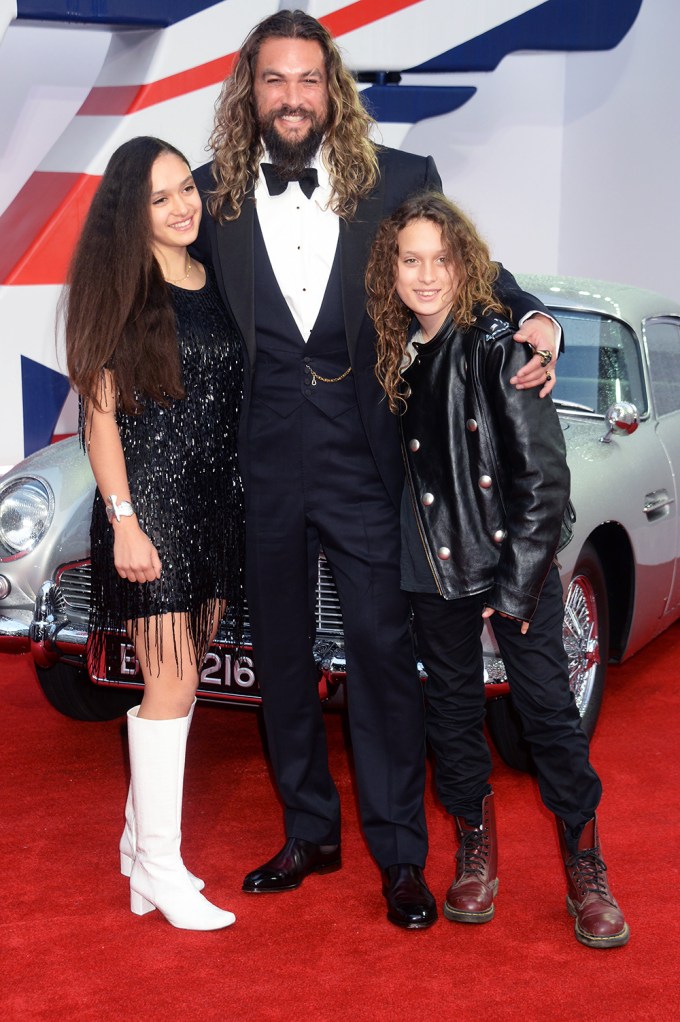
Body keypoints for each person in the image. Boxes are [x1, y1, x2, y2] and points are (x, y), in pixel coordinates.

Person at [191, 9, 559, 929]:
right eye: (273, 80)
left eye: (307, 79)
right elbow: (155, 289)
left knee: (384, 659)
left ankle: (402, 855)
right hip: (262, 459)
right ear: (250, 91)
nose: (291, 97)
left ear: (333, 89)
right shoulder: (213, 199)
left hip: (365, 456)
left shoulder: (400, 178)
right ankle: (309, 829)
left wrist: (532, 314)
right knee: (278, 655)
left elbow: (466, 268)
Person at [365, 190, 629, 948]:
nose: (424, 275)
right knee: (450, 716)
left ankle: (586, 865)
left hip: (514, 562)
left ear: (465, 264)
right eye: (408, 260)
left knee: (546, 710)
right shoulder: (395, 349)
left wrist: (513, 590)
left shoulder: (498, 345)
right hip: (431, 566)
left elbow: (545, 483)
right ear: (390, 269)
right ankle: (475, 848)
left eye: (439, 260)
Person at [64, 136, 244, 931]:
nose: (182, 207)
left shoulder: (217, 277)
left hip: (216, 506)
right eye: (161, 197)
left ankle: (141, 854)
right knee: (169, 683)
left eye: (186, 191)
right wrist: (124, 521)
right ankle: (164, 868)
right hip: (152, 510)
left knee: (180, 679)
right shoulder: (121, 288)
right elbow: (98, 412)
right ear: (129, 214)